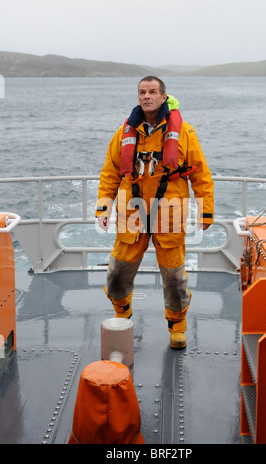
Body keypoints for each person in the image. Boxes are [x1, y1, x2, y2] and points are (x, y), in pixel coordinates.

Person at [96, 76, 214, 349]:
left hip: (169, 212)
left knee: (174, 277)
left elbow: (201, 174)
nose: (146, 96)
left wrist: (205, 211)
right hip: (132, 212)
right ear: (137, 97)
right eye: (141, 92)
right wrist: (103, 207)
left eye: (152, 92)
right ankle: (121, 312)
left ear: (163, 97)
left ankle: (177, 327)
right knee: (117, 272)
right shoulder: (123, 132)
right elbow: (110, 173)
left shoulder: (185, 132)